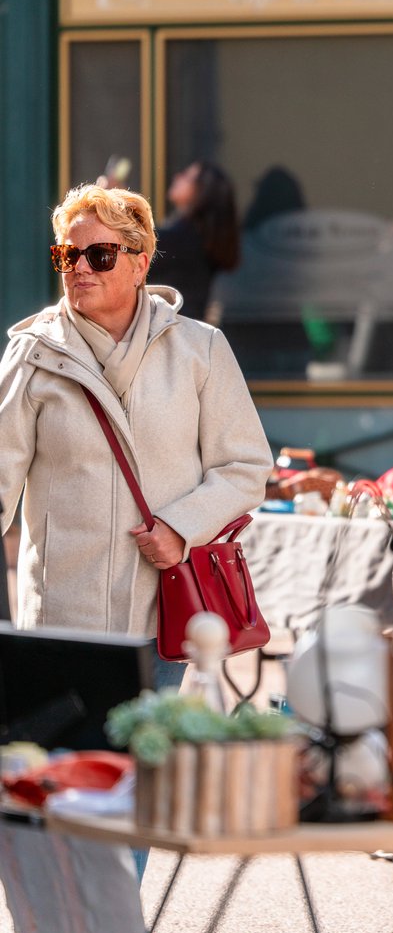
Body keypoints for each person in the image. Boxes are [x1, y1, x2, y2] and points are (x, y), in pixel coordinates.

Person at [0, 183, 273, 691]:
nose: (80, 268)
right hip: (61, 618)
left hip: (160, 613)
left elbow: (245, 466)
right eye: (68, 255)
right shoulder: (32, 354)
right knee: (66, 765)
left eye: (100, 255)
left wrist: (180, 527)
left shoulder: (199, 348)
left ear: (140, 264)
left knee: (144, 759)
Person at [153, 160, 241, 322]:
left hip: (173, 332)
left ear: (202, 191)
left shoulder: (184, 239)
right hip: (188, 331)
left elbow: (137, 246)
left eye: (187, 176)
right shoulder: (200, 239)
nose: (178, 176)